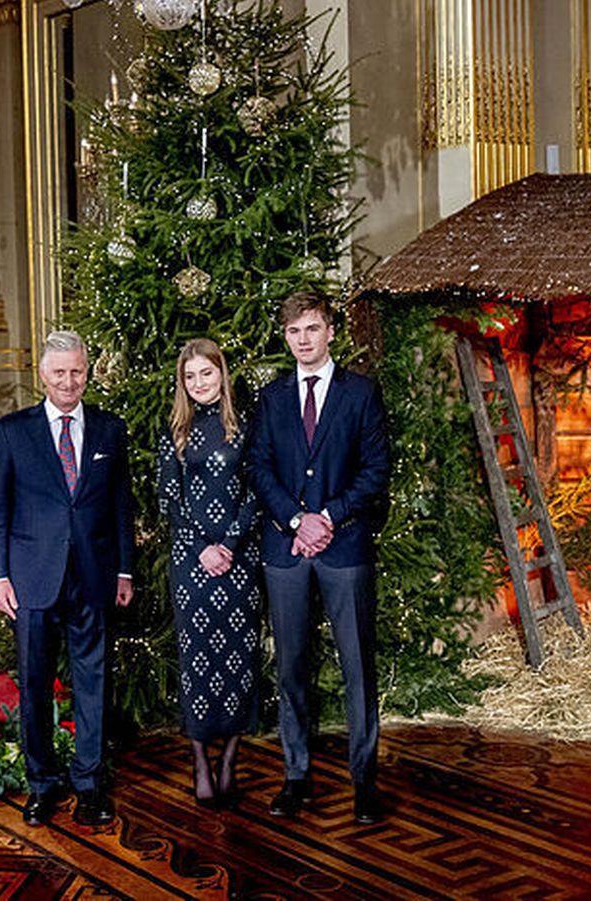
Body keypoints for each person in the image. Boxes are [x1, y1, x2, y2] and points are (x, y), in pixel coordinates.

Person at [247, 291, 391, 825]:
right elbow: (259, 468)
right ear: (285, 337)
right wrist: (293, 520)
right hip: (286, 551)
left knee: (357, 667)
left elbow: (376, 471)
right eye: (293, 332)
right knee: (291, 667)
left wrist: (327, 516)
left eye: (311, 329)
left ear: (330, 331)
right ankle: (296, 776)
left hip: (344, 547)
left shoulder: (360, 394)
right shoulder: (271, 397)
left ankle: (364, 783)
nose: (303, 340)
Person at [0, 330, 136, 828]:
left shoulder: (110, 430)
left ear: (86, 372)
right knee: (34, 685)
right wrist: (0, 575)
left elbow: (120, 504)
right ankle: (41, 785)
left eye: (76, 371)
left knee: (93, 682)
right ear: (43, 376)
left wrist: (123, 569)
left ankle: (91, 786)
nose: (68, 381)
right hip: (31, 579)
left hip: (93, 577)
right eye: (59, 373)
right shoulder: (13, 431)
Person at [156, 338, 261, 809]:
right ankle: (199, 758)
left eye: (207, 373)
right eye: (191, 376)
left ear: (222, 374)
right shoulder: (175, 431)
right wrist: (202, 547)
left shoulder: (244, 427)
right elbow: (167, 497)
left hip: (238, 561)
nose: (200, 384)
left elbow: (257, 491)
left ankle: (230, 758)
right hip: (192, 563)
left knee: (239, 660)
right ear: (182, 383)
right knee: (197, 659)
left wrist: (230, 544)